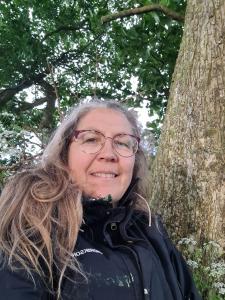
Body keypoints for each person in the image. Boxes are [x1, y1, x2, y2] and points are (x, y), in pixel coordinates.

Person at [0, 100, 201, 300]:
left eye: (122, 142)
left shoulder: (152, 233)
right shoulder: (29, 229)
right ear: (64, 153)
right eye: (91, 139)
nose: (108, 154)